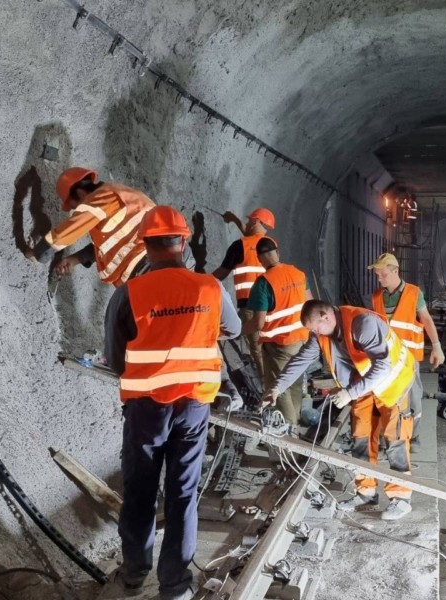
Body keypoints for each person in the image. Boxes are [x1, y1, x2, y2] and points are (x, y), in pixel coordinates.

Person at [104, 206, 240, 600]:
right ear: (182, 242)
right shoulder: (210, 289)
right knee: (182, 492)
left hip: (146, 408)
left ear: (145, 247)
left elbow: (115, 360)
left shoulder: (128, 293)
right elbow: (230, 329)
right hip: (195, 407)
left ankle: (133, 574)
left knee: (140, 490)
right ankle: (175, 587)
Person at [262, 300, 416, 521]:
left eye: (315, 328)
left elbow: (383, 366)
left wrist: (349, 394)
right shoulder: (321, 334)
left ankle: (401, 499)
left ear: (326, 316)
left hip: (393, 383)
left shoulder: (363, 324)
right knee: (361, 438)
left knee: (395, 440)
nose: (314, 333)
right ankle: (366, 493)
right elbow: (301, 359)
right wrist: (277, 387)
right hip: (361, 385)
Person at [26, 167, 154, 286]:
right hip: (153, 262)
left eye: (75, 207)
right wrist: (75, 259)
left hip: (148, 267)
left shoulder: (101, 197)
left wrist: (36, 253)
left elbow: (67, 231)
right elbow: (112, 243)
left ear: (81, 194)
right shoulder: (119, 197)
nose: (77, 211)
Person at [367, 253, 444, 449]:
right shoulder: (377, 296)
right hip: (386, 360)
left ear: (395, 271)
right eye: (377, 275)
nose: (379, 278)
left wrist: (436, 347)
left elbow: (426, 320)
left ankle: (413, 435)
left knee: (414, 401)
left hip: (408, 361)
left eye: (383, 274)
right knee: (388, 400)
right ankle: (391, 438)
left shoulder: (413, 293)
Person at [242, 237, 312, 424]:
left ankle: (290, 435)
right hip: (301, 340)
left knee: (279, 389)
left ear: (259, 258)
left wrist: (239, 330)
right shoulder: (298, 274)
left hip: (279, 345)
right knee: (295, 382)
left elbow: (258, 323)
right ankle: (294, 423)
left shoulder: (264, 283)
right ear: (277, 253)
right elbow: (310, 302)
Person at [213, 208, 276, 380]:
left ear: (256, 222)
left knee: (256, 347)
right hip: (271, 305)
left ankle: (266, 387)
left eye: (249, 221)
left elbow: (222, 273)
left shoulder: (239, 245)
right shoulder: (271, 245)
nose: (247, 223)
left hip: (250, 305)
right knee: (267, 344)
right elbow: (252, 239)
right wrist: (233, 219)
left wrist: (201, 281)